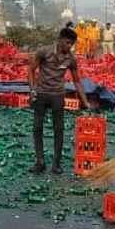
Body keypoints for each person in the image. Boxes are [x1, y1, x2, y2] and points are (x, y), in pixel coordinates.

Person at [28, 27, 95, 174]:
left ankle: (56, 163)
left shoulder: (71, 59)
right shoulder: (44, 52)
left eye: (72, 44)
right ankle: (40, 162)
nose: (69, 46)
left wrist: (85, 102)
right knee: (37, 128)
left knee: (59, 129)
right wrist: (32, 90)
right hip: (41, 94)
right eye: (67, 43)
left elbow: (76, 81)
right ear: (60, 40)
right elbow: (31, 70)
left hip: (57, 96)